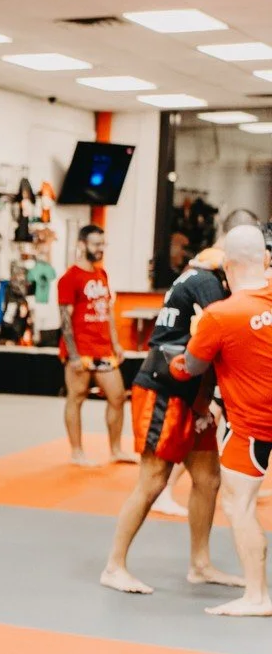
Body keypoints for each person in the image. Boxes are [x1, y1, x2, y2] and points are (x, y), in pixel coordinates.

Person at [100, 245, 241, 595]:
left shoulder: (208, 277)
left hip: (193, 396)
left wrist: (207, 402)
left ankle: (200, 564)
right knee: (152, 480)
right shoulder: (208, 282)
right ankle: (114, 566)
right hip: (164, 390)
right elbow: (223, 337)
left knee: (208, 479)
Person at [167, 224, 272, 616]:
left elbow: (190, 367)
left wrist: (180, 354)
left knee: (240, 504)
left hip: (253, 427)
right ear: (264, 260)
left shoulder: (219, 315)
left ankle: (257, 596)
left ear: (226, 266)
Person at [59, 224, 134, 466]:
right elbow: (65, 319)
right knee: (76, 398)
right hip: (80, 350)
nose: (100, 249)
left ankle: (115, 450)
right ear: (82, 245)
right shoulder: (69, 278)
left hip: (103, 350)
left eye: (103, 244)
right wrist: (73, 355)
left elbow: (109, 312)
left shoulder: (102, 275)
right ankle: (76, 452)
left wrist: (116, 344)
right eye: (96, 244)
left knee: (117, 397)